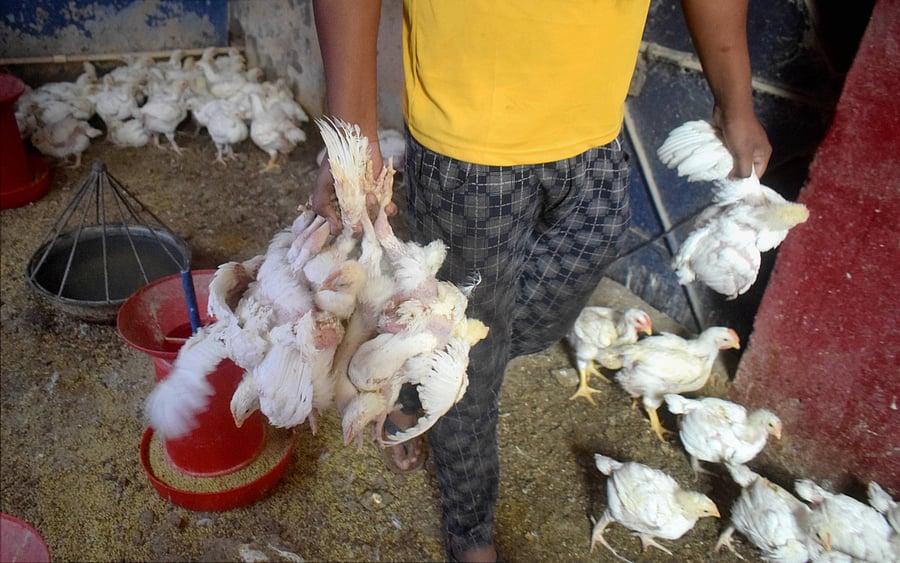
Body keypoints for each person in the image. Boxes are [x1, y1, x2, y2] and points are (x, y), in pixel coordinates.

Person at [310, 2, 772, 561]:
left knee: (519, 326)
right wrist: (350, 143)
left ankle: (419, 380)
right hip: (468, 147)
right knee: (469, 356)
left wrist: (735, 101)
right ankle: (470, 530)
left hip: (597, 134)